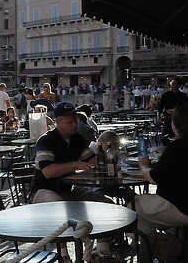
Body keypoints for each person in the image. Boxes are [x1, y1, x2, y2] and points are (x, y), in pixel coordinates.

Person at [30, 102, 114, 261]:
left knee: (106, 203)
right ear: (58, 122)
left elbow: (92, 161)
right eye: (70, 122)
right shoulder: (46, 140)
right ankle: (63, 256)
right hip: (42, 191)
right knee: (59, 204)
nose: (75, 124)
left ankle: (101, 252)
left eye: (75, 120)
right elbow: (47, 172)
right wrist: (75, 164)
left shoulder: (77, 139)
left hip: (69, 189)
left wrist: (108, 155)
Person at [136, 103, 188, 258]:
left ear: (175, 125)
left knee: (133, 208)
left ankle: (164, 249)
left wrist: (143, 165)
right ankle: (171, 239)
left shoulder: (179, 147)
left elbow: (154, 178)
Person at [157, 77, 188, 144]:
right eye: (172, 83)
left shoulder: (183, 96)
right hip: (168, 119)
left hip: (180, 119)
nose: (172, 85)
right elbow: (160, 107)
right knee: (166, 136)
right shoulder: (165, 95)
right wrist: (159, 116)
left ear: (179, 85)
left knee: (179, 137)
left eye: (175, 83)